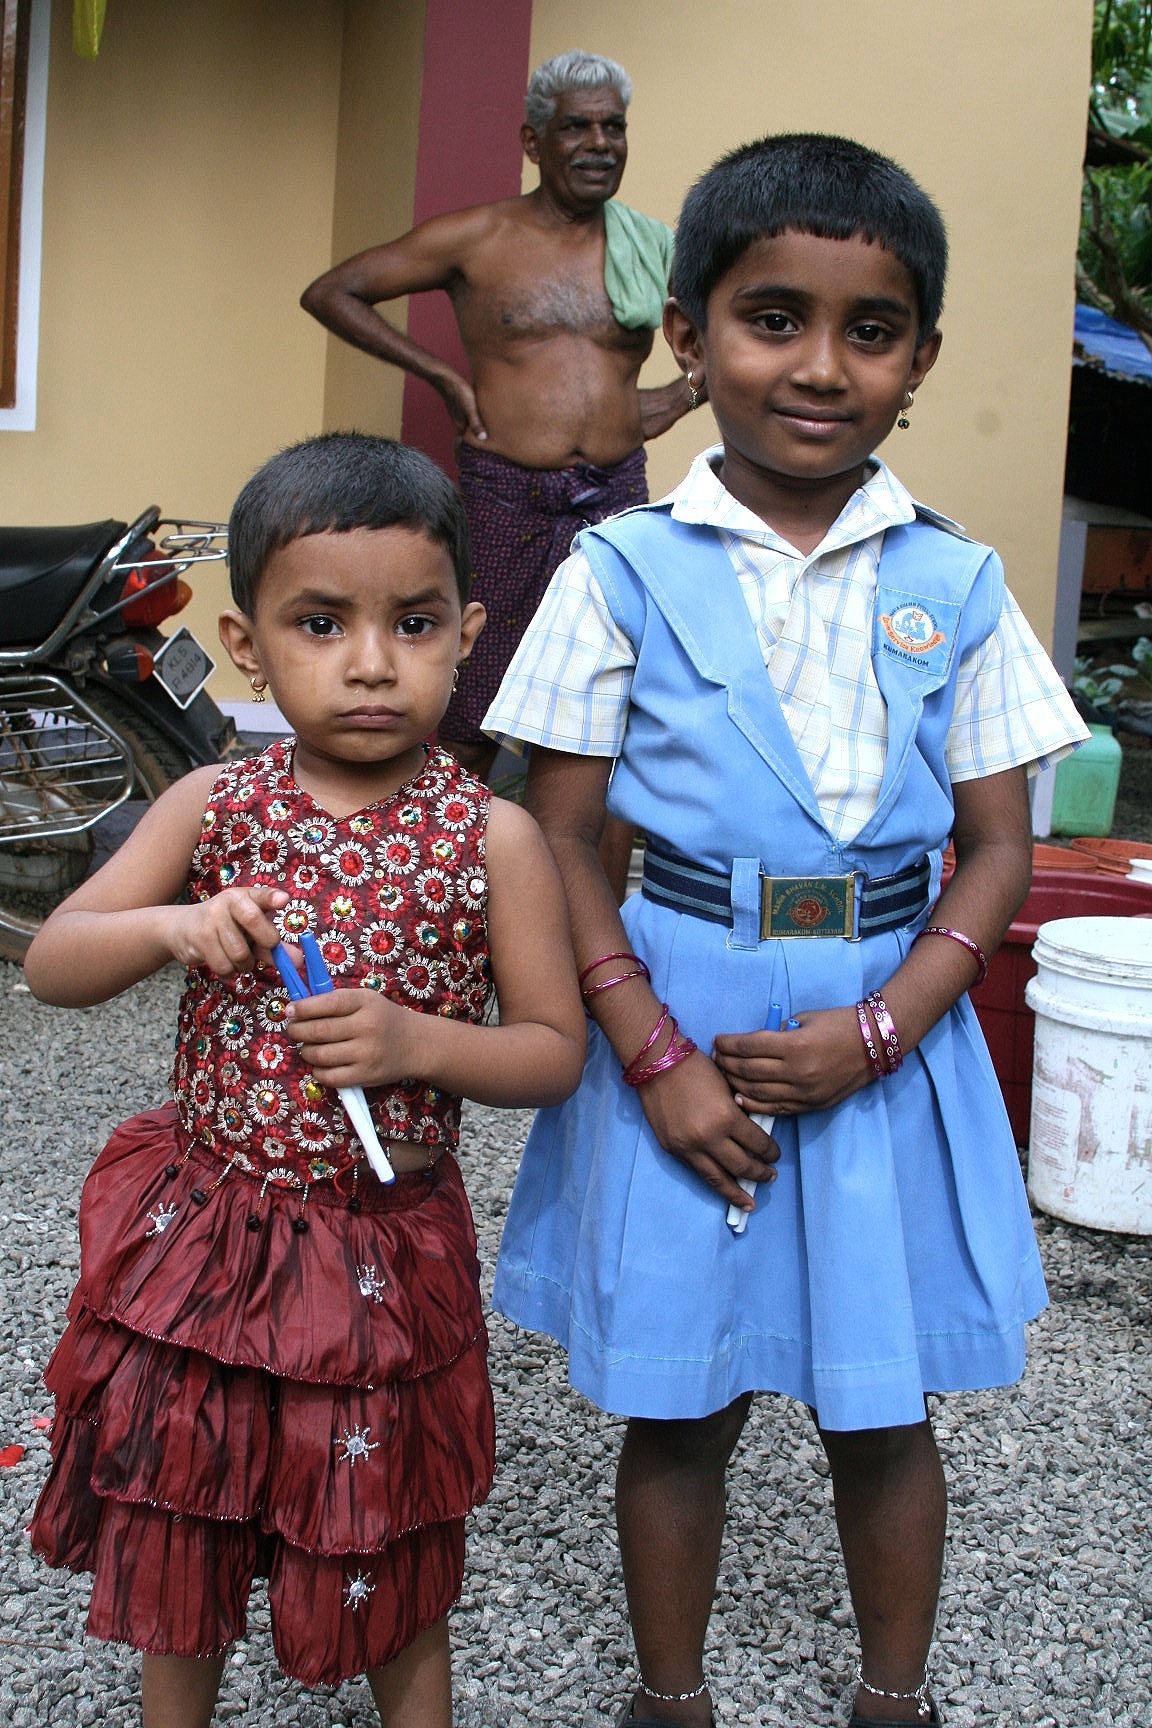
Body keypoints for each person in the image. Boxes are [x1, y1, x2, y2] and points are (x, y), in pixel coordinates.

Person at [483, 134, 1090, 1728]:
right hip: (673, 1013)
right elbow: (555, 835)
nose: (819, 367)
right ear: (688, 335)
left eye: (869, 331)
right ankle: (669, 1703)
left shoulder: (956, 581)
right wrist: (657, 1054)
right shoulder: (618, 569)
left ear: (920, 360)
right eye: (771, 318)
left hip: (889, 1020)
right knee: (678, 1408)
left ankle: (894, 1702)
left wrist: (886, 1027)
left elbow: (1001, 846)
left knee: (883, 1410)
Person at [23, 433, 586, 1728]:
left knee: (386, 1535)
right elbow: (54, 962)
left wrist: (417, 1043)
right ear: (246, 641)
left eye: (416, 622)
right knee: (186, 1515)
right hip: (208, 1243)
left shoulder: (491, 838)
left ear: (470, 633)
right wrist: (173, 927)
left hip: (383, 1257)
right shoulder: (215, 807)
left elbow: (553, 1053)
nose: (374, 661)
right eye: (322, 623)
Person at [300, 48, 698, 894]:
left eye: (613, 127)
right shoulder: (475, 238)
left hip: (618, 501)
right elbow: (333, 290)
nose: (599, 144)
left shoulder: (651, 247)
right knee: (472, 705)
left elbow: (734, 322)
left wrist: (679, 396)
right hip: (505, 496)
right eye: (577, 127)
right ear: (533, 140)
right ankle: (433, 898)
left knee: (616, 717)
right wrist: (442, 376)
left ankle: (595, 931)